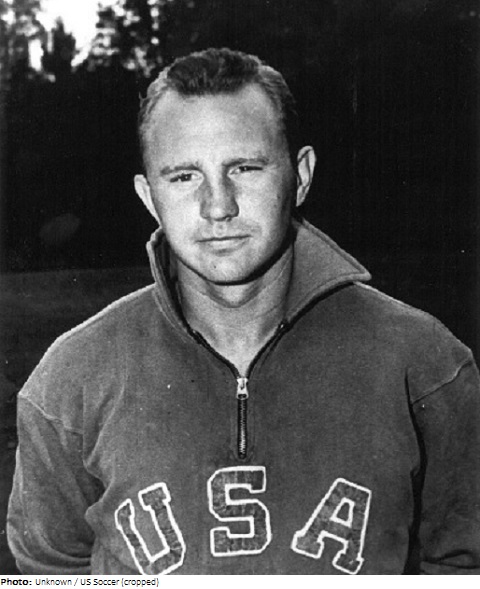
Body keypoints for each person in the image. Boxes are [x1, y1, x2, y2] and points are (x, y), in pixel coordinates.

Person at [7, 47, 480, 575]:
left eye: (245, 168)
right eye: (184, 177)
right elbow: (49, 571)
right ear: (149, 196)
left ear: (300, 175)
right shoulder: (70, 378)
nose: (218, 206)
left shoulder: (423, 363)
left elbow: (464, 564)